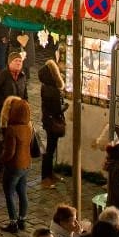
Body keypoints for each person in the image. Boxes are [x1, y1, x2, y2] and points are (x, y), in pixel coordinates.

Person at [0, 95, 35, 233]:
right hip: (26, 164)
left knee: (9, 193)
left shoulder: (12, 129)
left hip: (14, 166)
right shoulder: (28, 126)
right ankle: (22, 220)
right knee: (22, 192)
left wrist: (2, 160)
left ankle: (13, 223)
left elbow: (9, 152)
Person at [39, 54, 68, 187]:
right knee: (50, 150)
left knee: (51, 149)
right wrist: (64, 107)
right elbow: (56, 108)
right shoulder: (51, 90)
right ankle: (46, 177)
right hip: (52, 122)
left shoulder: (47, 87)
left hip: (48, 121)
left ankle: (50, 174)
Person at [0, 49, 32, 131]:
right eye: (16, 61)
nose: (18, 63)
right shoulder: (1, 76)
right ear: (10, 63)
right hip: (3, 113)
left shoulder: (22, 76)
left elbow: (25, 93)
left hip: (17, 113)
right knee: (2, 138)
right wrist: (5, 103)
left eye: (20, 61)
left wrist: (25, 106)